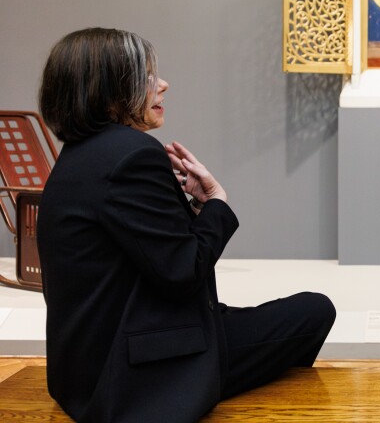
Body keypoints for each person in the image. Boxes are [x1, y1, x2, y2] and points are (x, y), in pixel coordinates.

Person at [36, 28, 336, 423]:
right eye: (146, 77)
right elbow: (182, 272)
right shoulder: (132, 154)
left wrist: (189, 211)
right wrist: (216, 203)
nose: (162, 85)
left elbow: (142, 254)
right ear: (109, 89)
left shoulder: (79, 156)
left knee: (281, 316)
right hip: (137, 374)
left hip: (83, 369)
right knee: (315, 310)